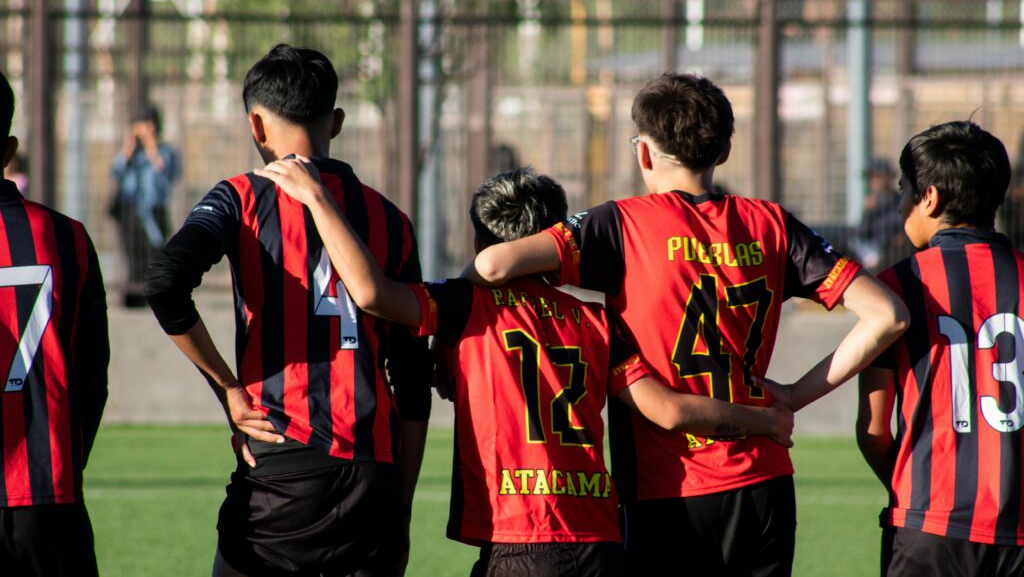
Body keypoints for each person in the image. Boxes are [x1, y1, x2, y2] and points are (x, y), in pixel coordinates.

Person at [255, 160, 795, 576]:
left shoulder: (464, 305)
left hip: (522, 539)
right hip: (601, 543)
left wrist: (319, 199)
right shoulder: (596, 320)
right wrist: (764, 420)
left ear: (477, 239)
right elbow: (670, 411)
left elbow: (371, 293)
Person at [465, 72, 909, 575]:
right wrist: (792, 395)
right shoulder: (771, 223)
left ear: (644, 154)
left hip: (667, 487)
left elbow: (494, 266)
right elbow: (888, 316)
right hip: (762, 479)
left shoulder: (620, 224)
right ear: (723, 152)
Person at [143, 44, 432, 576]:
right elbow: (413, 380)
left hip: (283, 460)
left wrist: (228, 387)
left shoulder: (240, 197)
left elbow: (164, 283)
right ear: (337, 122)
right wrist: (400, 501)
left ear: (256, 125)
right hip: (376, 470)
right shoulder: (392, 219)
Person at [856, 121, 1024, 576]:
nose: (898, 203)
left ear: (928, 198)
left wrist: (913, 488)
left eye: (902, 190)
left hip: (930, 525)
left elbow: (872, 429)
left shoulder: (894, 290)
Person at [0, 70, 110, 575]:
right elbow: (93, 376)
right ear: (10, 149)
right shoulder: (68, 238)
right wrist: (64, 461)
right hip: (50, 500)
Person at [110, 104, 179, 307]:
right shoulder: (131, 153)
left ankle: (154, 297)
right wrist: (128, 149)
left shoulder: (165, 151)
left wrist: (151, 145)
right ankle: (133, 298)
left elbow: (165, 174)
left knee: (155, 255)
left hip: (153, 211)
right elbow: (116, 173)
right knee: (131, 255)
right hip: (129, 211)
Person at [851, 158, 907, 272]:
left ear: (888, 177)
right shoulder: (872, 203)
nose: (873, 181)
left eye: (877, 176)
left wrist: (903, 237)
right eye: (871, 177)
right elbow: (862, 235)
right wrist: (867, 212)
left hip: (899, 255)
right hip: (877, 258)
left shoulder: (902, 200)